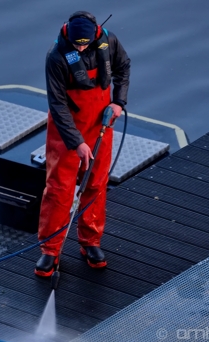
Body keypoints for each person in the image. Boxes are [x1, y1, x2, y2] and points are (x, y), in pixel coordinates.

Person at [35, 10, 131, 277]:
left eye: (84, 43)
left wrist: (118, 101)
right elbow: (57, 104)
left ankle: (90, 242)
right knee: (59, 189)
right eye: (77, 44)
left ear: (95, 34)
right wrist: (76, 142)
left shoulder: (109, 42)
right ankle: (50, 250)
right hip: (66, 132)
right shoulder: (56, 57)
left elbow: (123, 68)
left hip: (101, 123)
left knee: (97, 184)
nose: (80, 47)